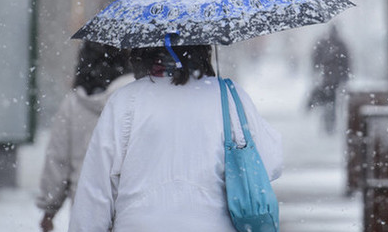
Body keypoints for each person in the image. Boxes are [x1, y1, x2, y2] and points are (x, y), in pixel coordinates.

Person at [69, 44, 283, 231]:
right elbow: (270, 163)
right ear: (204, 47)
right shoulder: (229, 96)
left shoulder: (124, 101)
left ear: (142, 51)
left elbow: (94, 193)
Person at [36, 41, 133, 232]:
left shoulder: (73, 104)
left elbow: (58, 160)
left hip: (86, 206)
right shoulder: (135, 97)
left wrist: (49, 209)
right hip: (129, 203)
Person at [308, 25, 351, 135]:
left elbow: (315, 60)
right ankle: (329, 124)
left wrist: (317, 72)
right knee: (331, 103)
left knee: (326, 102)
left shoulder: (323, 43)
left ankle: (327, 124)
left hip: (326, 79)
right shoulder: (340, 44)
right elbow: (346, 63)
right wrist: (345, 77)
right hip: (333, 80)